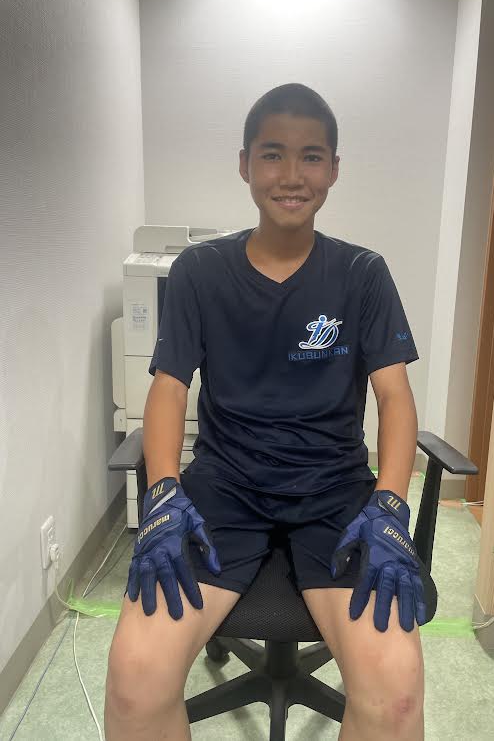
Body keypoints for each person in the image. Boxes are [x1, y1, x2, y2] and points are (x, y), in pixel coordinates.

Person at [105, 83, 431, 741]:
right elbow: (169, 387)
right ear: (245, 164)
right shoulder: (199, 271)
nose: (291, 175)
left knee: (395, 693)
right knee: (135, 678)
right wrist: (163, 492)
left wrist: (391, 506)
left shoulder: (362, 274)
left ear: (333, 169)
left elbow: (394, 397)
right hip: (223, 490)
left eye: (311, 156)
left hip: (335, 495)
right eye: (272, 154)